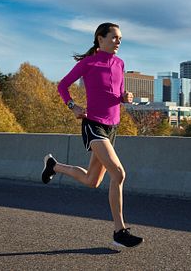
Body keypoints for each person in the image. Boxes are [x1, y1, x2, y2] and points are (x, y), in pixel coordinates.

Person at [41, 22, 143, 248]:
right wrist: (73, 107)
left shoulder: (120, 63)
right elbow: (63, 86)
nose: (118, 42)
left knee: (92, 181)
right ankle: (119, 231)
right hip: (93, 125)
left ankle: (54, 166)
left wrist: (124, 97)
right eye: (114, 37)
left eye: (120, 39)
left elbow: (115, 94)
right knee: (118, 174)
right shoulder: (89, 63)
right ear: (100, 38)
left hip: (112, 127)